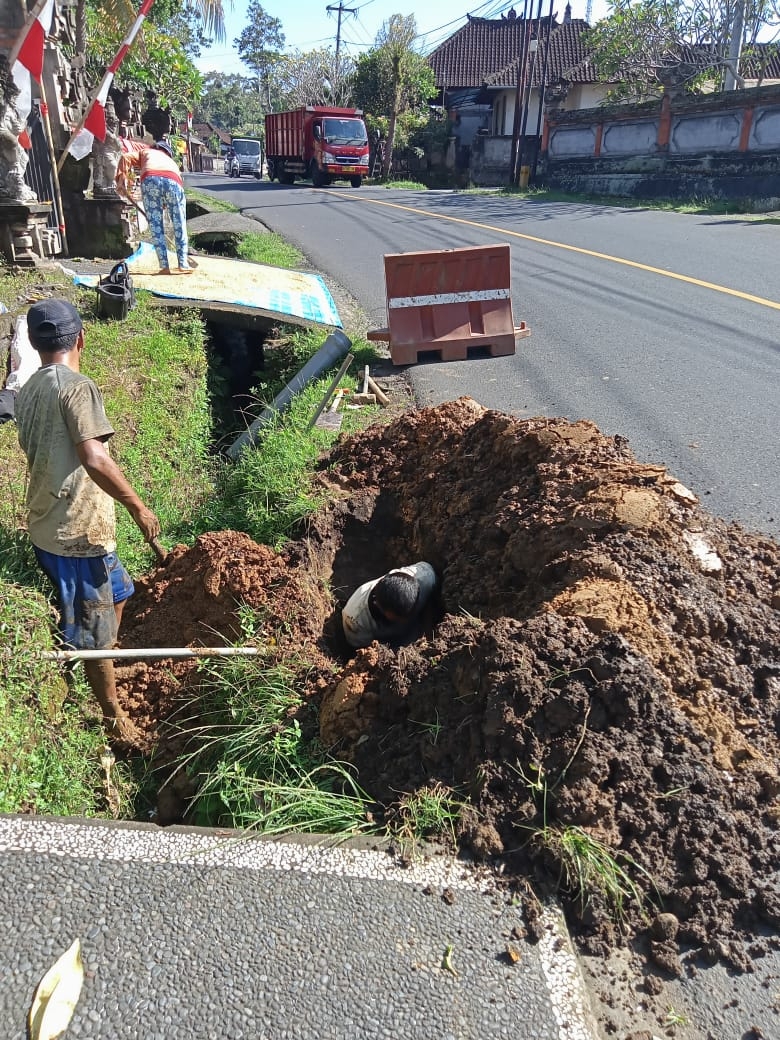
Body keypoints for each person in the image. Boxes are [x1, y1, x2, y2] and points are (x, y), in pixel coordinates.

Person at [16, 300, 161, 747]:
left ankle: (100, 655)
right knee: (94, 633)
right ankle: (113, 716)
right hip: (76, 536)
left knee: (120, 592)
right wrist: (138, 507)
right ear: (81, 338)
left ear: (37, 345)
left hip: (53, 520)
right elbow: (93, 455)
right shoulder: (77, 388)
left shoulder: (27, 390)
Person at [116, 138, 193, 275]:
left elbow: (125, 157)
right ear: (167, 153)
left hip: (150, 180)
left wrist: (122, 181)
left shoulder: (146, 152)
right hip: (174, 182)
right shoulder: (170, 161)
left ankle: (164, 266)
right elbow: (167, 186)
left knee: (156, 226)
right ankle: (183, 264)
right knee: (179, 223)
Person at [341, 562, 438, 650]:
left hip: (416, 632)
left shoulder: (426, 577)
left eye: (409, 614)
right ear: (378, 605)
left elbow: (430, 600)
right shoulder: (355, 619)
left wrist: (429, 635)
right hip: (387, 645)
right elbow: (363, 653)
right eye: (399, 618)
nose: (405, 620)